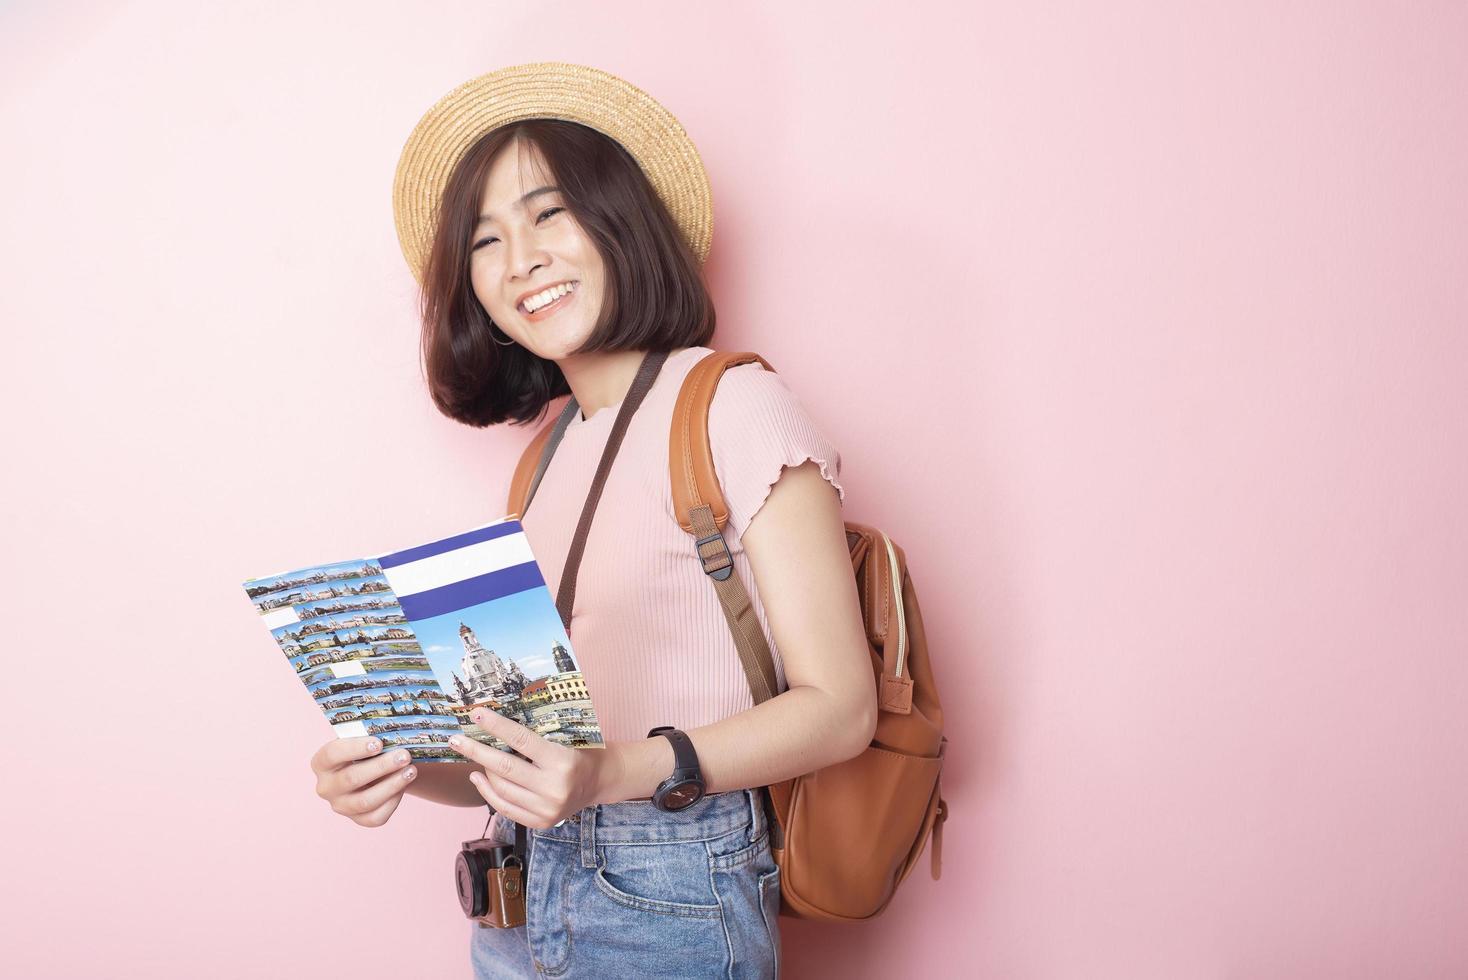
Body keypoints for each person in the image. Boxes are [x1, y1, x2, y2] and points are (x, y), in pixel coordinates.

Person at [308, 63, 875, 979]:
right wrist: (404, 770)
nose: (519, 259)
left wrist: (609, 775)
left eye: (547, 213)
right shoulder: (544, 458)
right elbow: (528, 758)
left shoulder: (734, 405)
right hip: (518, 894)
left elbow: (842, 709)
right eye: (484, 241)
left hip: (674, 891)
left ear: (621, 221)